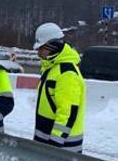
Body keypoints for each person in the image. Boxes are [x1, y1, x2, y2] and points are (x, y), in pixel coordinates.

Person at [32, 22, 86, 152]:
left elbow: (67, 112)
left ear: (52, 46)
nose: (38, 52)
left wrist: (55, 143)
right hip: (47, 140)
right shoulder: (52, 68)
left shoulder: (66, 73)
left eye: (41, 48)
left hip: (62, 146)